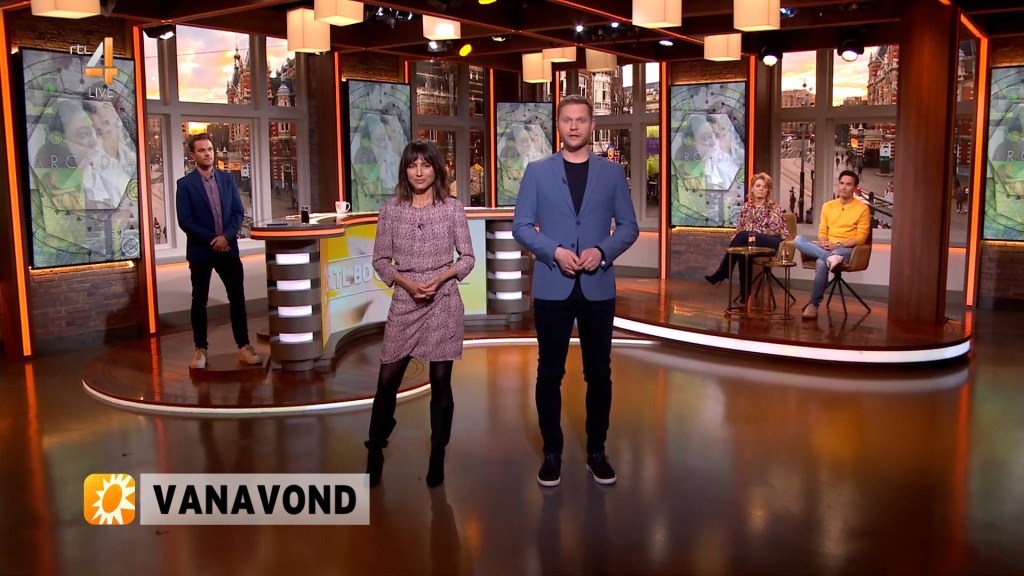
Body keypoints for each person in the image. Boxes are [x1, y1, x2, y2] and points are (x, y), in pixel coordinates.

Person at [512, 95, 639, 487]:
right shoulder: (537, 172)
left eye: (580, 120)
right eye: (567, 120)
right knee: (549, 372)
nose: (573, 126)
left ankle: (596, 451)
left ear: (591, 125)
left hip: (598, 287)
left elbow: (629, 226)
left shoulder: (612, 173)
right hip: (553, 286)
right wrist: (554, 251)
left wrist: (602, 251)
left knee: (599, 372)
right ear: (559, 125)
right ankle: (552, 453)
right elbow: (521, 226)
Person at [365, 140, 475, 488]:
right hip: (405, 301)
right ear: (405, 171)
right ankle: (375, 448)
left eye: (425, 165)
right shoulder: (391, 210)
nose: (419, 172)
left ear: (436, 170)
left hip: (444, 301)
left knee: (441, 381)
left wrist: (440, 278)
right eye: (412, 165)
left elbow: (467, 258)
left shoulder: (452, 208)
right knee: (387, 380)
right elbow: (381, 260)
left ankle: (437, 452)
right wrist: (407, 283)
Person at [175, 133, 262, 369]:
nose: (208, 154)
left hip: (228, 249)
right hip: (201, 252)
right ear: (193, 155)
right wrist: (213, 240)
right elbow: (185, 220)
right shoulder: (185, 185)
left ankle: (243, 346)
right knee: (199, 301)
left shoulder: (227, 179)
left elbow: (237, 212)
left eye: (210, 149)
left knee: (237, 298)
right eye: (202, 150)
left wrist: (226, 237)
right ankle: (200, 350)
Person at [793, 170, 871, 320]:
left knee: (821, 262)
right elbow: (823, 230)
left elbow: (861, 238)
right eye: (841, 183)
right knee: (798, 240)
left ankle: (813, 304)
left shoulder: (862, 209)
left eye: (848, 184)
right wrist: (823, 241)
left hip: (847, 249)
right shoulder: (828, 206)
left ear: (855, 188)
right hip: (828, 247)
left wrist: (838, 245)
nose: (844, 187)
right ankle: (829, 257)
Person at [704, 173, 790, 299]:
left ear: (768, 191)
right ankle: (745, 295)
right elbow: (740, 229)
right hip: (751, 243)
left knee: (743, 236)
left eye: (765, 187)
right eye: (758, 186)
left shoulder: (773, 207)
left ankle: (722, 273)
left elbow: (774, 229)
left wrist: (751, 233)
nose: (761, 189)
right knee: (742, 253)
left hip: (772, 242)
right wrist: (744, 236)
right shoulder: (746, 207)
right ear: (752, 189)